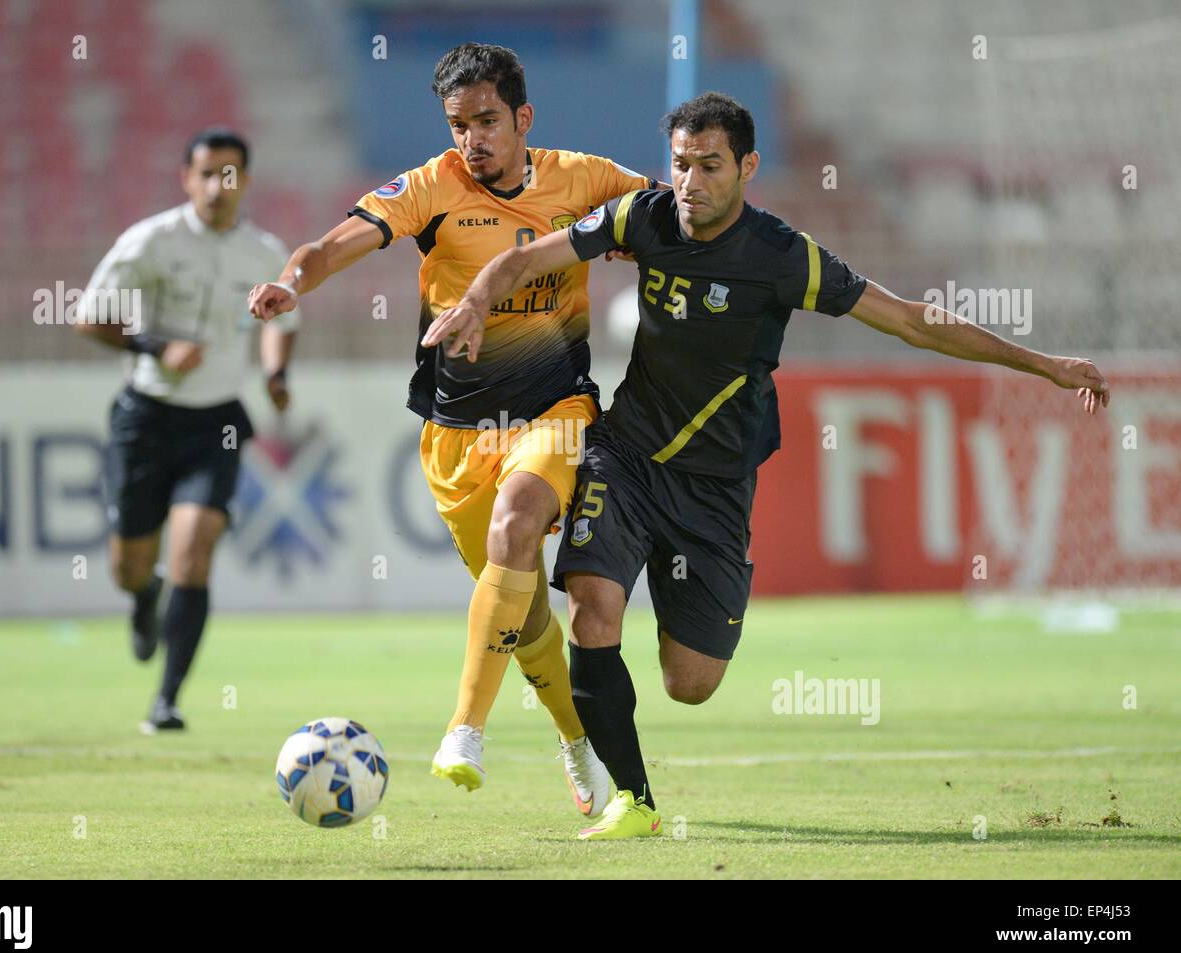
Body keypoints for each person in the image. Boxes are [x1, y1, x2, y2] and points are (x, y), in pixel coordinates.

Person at [422, 91, 1110, 839]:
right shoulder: (642, 217)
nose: (689, 183)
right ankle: (635, 801)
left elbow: (913, 319)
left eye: (709, 166)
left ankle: (648, 717)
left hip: (715, 485)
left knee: (691, 682)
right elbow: (530, 256)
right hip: (625, 456)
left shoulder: (783, 256)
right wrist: (479, 299)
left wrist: (1043, 364)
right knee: (592, 609)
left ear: (747, 167)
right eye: (680, 165)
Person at [249, 43, 661, 816]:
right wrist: (290, 281)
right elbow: (333, 245)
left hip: (556, 408)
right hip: (457, 435)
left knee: (518, 522)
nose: (472, 138)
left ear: (523, 118)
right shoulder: (432, 187)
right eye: (458, 123)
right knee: (529, 616)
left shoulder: (588, 179)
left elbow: (668, 220)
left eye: (487, 121)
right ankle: (576, 741)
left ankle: (464, 729)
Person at [76, 127, 299, 733]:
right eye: (205, 174)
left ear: (244, 182)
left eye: (229, 175)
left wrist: (276, 371)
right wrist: (153, 345)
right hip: (146, 417)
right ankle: (142, 595)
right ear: (187, 179)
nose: (216, 186)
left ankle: (167, 699)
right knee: (129, 565)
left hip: (217, 422)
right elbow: (88, 315)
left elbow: (283, 317)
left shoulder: (263, 251)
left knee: (194, 555)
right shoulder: (151, 240)